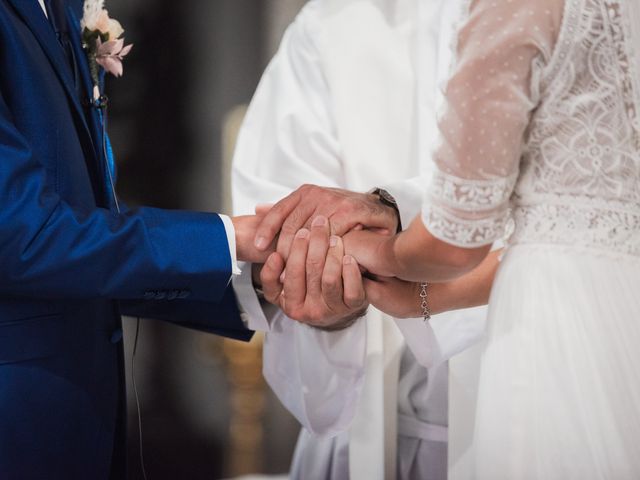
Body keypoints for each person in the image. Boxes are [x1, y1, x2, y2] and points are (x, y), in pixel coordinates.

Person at [254, 0, 640, 477]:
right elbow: (281, 228)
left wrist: (379, 240)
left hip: (552, 384)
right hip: (385, 432)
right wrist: (323, 283)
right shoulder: (328, 27)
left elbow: (471, 240)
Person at [0, 1, 353, 478]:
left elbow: (85, 224)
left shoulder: (61, 10)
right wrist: (230, 241)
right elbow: (26, 237)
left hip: (76, 420)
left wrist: (262, 281)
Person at [232, 0, 489, 478]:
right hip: (379, 437)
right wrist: (327, 303)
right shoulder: (329, 28)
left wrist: (392, 219)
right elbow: (280, 238)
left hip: (549, 405)